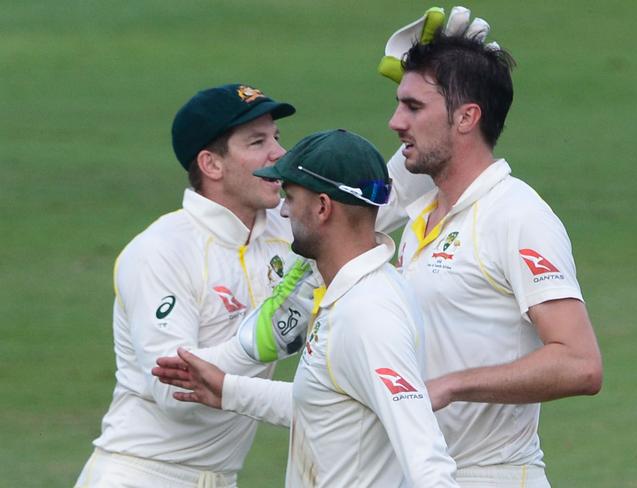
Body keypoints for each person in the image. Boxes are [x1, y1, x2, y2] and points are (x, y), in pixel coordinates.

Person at [155, 129, 459, 487]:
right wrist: (227, 389)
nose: (283, 210)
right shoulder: (350, 295)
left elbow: (426, 458)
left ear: (322, 207)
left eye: (291, 196)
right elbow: (325, 404)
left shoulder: (368, 314)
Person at [387, 32, 603, 486]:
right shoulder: (421, 216)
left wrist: (452, 385)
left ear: (466, 117)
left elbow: (580, 363)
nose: (395, 122)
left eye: (413, 107)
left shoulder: (517, 217)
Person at [74, 83, 302, 488]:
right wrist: (256, 343)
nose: (279, 154)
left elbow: (372, 203)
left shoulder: (285, 232)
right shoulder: (161, 251)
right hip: (139, 475)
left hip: (223, 478)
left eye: (277, 138)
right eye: (257, 142)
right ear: (211, 165)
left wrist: (439, 88)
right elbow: (174, 395)